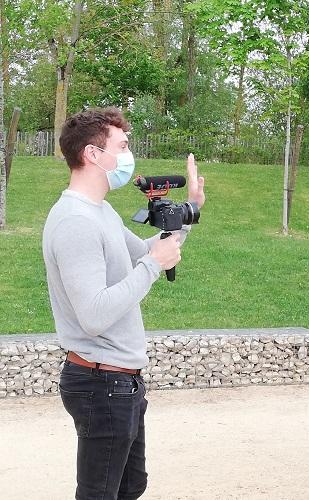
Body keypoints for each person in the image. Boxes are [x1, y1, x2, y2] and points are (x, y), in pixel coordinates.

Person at [42, 107, 205, 500]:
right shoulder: (75, 222)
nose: (128, 156)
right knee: (100, 493)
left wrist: (191, 210)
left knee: (130, 486)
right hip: (101, 383)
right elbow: (95, 314)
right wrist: (152, 266)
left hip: (121, 381)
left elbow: (148, 251)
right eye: (123, 146)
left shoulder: (100, 211)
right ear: (93, 155)